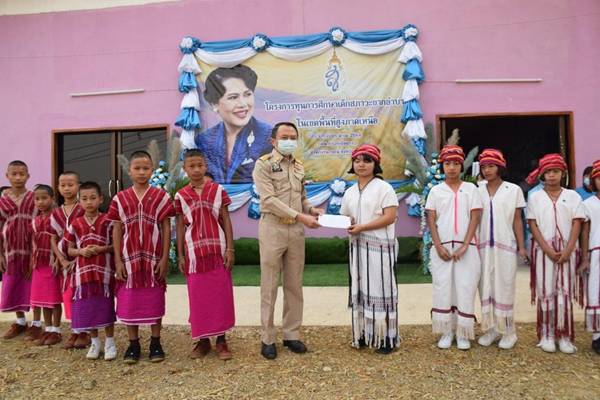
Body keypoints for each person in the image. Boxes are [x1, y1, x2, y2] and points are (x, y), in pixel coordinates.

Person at [252, 122, 323, 360]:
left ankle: (291, 334)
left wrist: (311, 209)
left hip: (296, 231)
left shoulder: (298, 166)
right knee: (269, 285)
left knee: (294, 284)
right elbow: (269, 200)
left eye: (293, 137)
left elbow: (301, 197)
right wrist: (301, 216)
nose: (289, 141)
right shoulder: (263, 165)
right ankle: (267, 338)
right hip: (272, 227)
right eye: (285, 137)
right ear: (273, 141)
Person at [107, 151, 175, 364]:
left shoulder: (161, 196)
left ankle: (156, 342)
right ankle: (133, 344)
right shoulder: (120, 199)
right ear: (129, 171)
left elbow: (166, 227)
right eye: (137, 168)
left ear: (152, 170)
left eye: (146, 168)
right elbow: (117, 229)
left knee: (154, 299)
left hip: (153, 258)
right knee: (129, 301)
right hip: (129, 260)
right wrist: (118, 260)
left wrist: (164, 258)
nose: (142, 172)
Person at [175, 149, 235, 360]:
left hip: (217, 252)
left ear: (206, 166)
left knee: (220, 297)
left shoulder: (218, 191)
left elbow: (226, 219)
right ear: (185, 169)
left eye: (200, 165)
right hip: (194, 256)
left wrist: (230, 249)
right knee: (198, 298)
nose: (196, 169)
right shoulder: (181, 196)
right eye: (191, 166)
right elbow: (180, 227)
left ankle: (221, 340)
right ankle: (203, 341)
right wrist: (180, 255)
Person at [340, 144, 399, 354]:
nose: (361, 165)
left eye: (367, 160)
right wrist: (343, 222)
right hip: (357, 248)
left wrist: (362, 227)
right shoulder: (349, 192)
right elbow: (347, 217)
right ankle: (364, 333)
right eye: (357, 161)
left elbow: (390, 217)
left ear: (376, 164)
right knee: (361, 289)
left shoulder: (384, 188)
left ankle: (388, 337)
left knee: (382, 289)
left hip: (379, 249)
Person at [425, 145, 482, 350]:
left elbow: (475, 217)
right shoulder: (436, 191)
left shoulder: (471, 189)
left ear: (461, 166)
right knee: (443, 287)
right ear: (442, 166)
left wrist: (466, 244)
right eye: (447, 163)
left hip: (467, 248)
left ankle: (463, 332)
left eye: (456, 164)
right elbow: (431, 219)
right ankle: (446, 331)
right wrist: (438, 246)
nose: (451, 167)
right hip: (442, 248)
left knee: (465, 287)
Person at [526, 153, 585, 354]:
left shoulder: (573, 196)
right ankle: (547, 334)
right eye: (548, 172)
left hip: (568, 250)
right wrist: (547, 249)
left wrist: (569, 249)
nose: (552, 175)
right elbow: (532, 225)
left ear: (563, 173)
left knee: (564, 291)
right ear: (542, 174)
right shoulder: (535, 197)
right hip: (544, 251)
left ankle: (565, 334)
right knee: (546, 291)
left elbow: (577, 222)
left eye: (556, 171)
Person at [476, 149, 527, 350]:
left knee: (504, 287)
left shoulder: (513, 190)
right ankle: (491, 329)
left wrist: (522, 246)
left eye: (491, 166)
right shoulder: (477, 190)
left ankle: (508, 331)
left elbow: (517, 220)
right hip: (482, 248)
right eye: (484, 167)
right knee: (485, 287)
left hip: (505, 246)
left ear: (500, 167)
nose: (487, 170)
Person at [195, 64, 273, 184]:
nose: (243, 104)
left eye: (247, 94)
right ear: (214, 104)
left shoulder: (268, 136)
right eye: (233, 97)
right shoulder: (204, 140)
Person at [65, 181, 117, 361]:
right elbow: (69, 249)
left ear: (100, 199)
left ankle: (110, 342)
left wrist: (102, 249)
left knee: (105, 306)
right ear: (79, 201)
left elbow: (116, 245)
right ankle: (95, 342)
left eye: (93, 198)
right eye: (85, 199)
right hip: (83, 274)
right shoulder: (76, 223)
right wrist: (81, 251)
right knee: (89, 307)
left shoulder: (108, 221)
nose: (89, 202)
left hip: (104, 273)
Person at [49, 171, 89, 350]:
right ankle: (75, 330)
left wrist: (79, 255)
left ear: (78, 186)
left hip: (83, 259)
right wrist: (60, 259)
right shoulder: (56, 213)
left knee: (82, 294)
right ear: (58, 188)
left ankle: (85, 331)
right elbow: (53, 238)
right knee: (68, 295)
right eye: (63, 185)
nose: (67, 188)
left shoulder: (83, 208)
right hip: (64, 262)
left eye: (71, 185)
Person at [0, 160, 37, 339]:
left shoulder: (35, 198)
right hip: (10, 253)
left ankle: (37, 324)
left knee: (35, 287)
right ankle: (20, 321)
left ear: (28, 176)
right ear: (7, 176)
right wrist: (0, 254)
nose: (18, 177)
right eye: (14, 174)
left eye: (21, 174)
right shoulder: (2, 201)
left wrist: (35, 255)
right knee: (13, 285)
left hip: (34, 251)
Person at [29, 184, 63, 346]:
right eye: (37, 199)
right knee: (42, 299)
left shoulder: (57, 217)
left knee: (54, 298)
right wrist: (32, 260)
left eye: (44, 198)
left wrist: (57, 259)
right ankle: (48, 328)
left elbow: (61, 240)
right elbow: (33, 242)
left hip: (52, 263)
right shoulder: (35, 220)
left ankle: (56, 330)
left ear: (52, 199)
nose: (40, 202)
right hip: (39, 264)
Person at [580, 159, 600, 354]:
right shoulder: (588, 204)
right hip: (596, 253)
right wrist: (585, 258)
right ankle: (597, 336)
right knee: (595, 291)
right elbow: (584, 233)